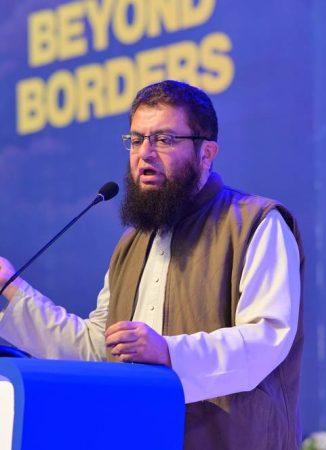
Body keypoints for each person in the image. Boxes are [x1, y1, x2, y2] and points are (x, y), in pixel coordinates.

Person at [0, 80, 304, 449]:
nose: (145, 153)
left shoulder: (256, 223)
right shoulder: (131, 244)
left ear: (207, 153)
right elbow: (99, 351)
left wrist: (168, 353)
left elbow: (267, 340)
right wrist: (12, 290)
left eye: (164, 139)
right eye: (136, 139)